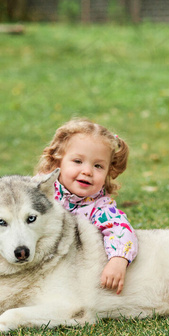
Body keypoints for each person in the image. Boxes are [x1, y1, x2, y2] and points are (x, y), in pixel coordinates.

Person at [36, 118, 138, 294]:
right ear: (57, 162)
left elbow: (121, 229)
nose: (87, 171)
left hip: (69, 273)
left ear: (107, 173)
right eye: (77, 161)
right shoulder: (39, 190)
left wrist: (118, 260)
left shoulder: (99, 207)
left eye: (98, 166)